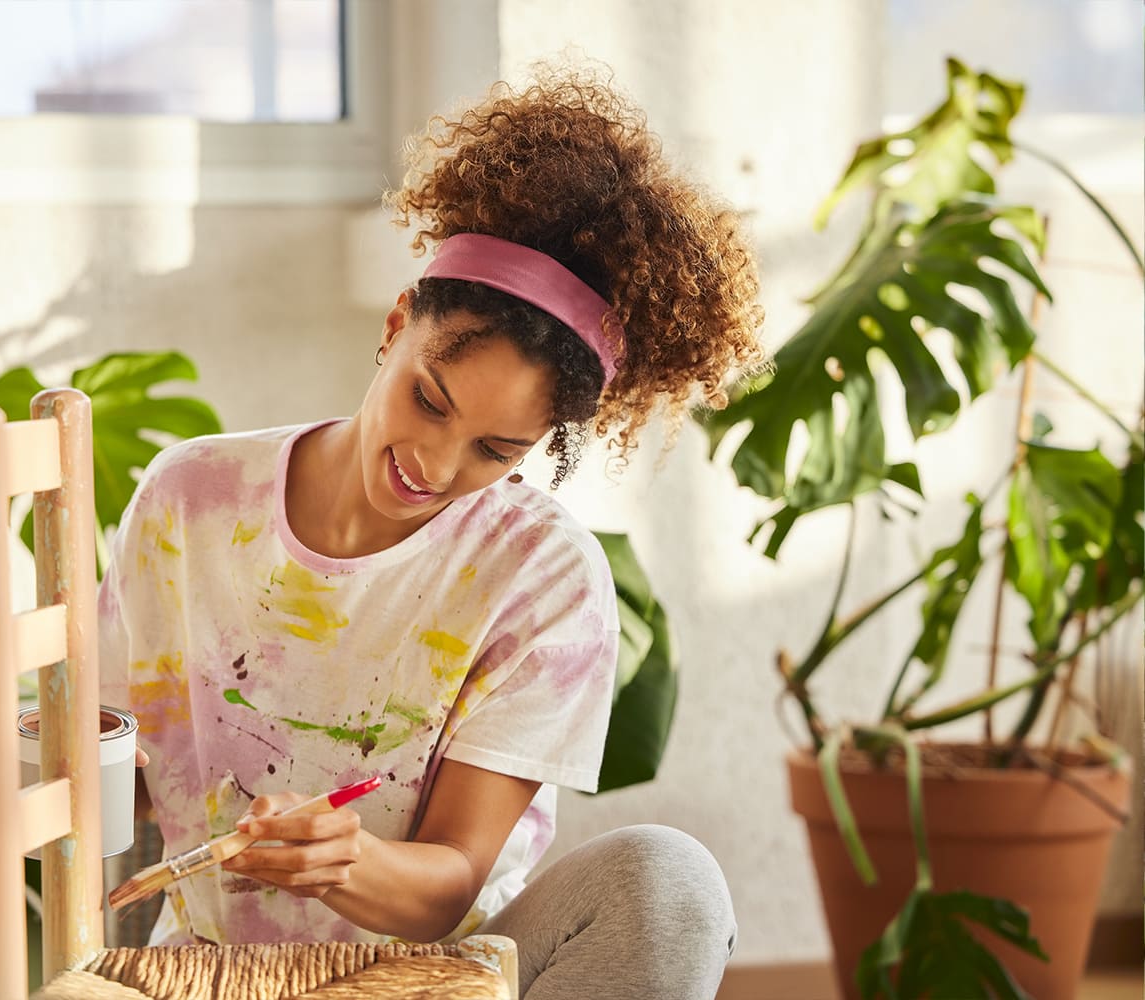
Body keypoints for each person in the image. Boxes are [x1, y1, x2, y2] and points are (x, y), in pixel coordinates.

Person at [101, 67, 764, 1000]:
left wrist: (346, 862)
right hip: (214, 976)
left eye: (495, 449)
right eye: (429, 400)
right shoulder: (192, 501)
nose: (437, 467)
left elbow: (451, 880)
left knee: (668, 884)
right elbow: (114, 773)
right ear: (396, 326)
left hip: (445, 978)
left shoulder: (544, 579)